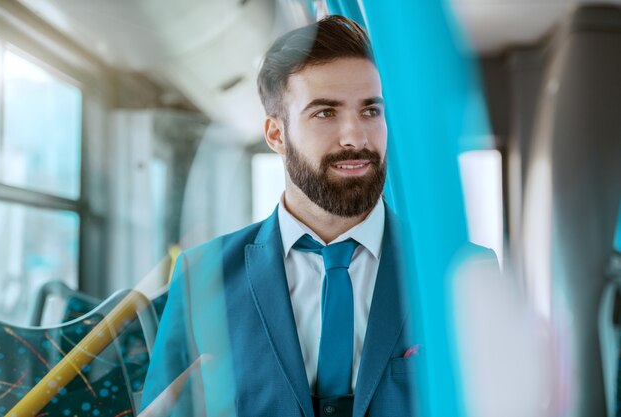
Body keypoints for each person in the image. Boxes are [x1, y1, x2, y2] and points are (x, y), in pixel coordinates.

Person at [141, 15, 467, 417]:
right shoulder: (202, 277)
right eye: (325, 113)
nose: (355, 136)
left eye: (370, 111)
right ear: (277, 134)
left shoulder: (458, 268)